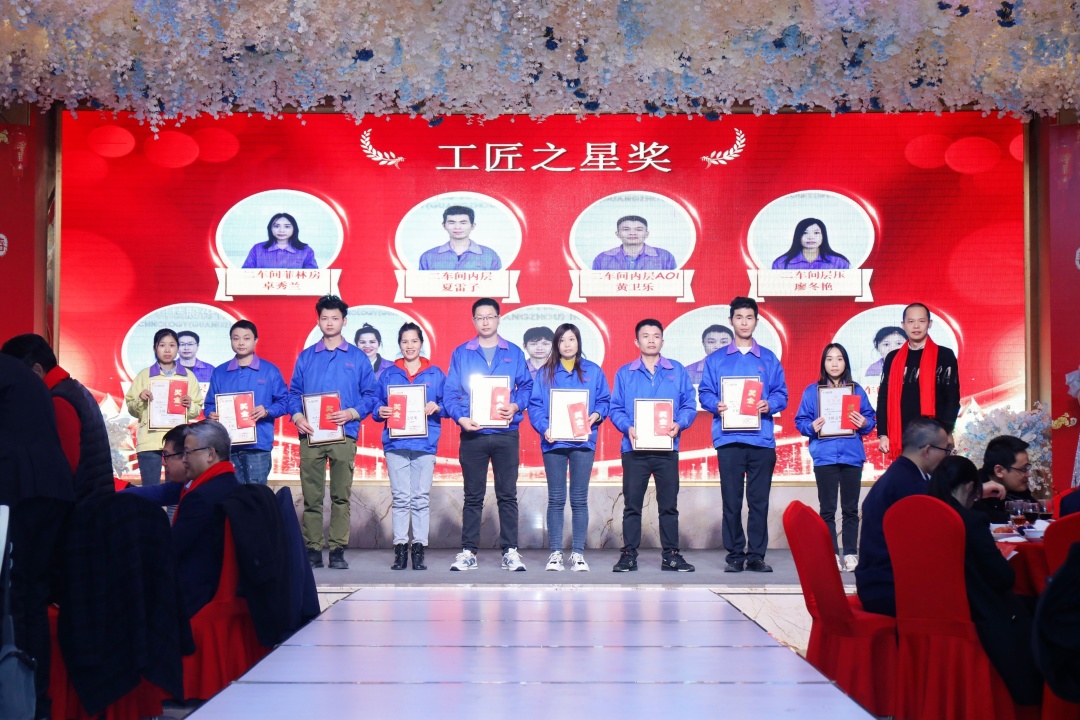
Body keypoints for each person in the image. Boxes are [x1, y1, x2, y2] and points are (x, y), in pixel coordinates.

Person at [926, 456, 1044, 707]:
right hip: (977, 612)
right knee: (1034, 607)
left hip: (930, 610)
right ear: (971, 487)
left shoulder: (922, 515)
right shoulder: (969, 520)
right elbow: (1003, 578)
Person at [0, 353, 75, 719]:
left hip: (20, 491)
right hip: (50, 488)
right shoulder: (17, 373)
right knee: (31, 598)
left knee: (15, 598)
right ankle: (35, 699)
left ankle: (17, 698)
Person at [287, 295, 377, 570]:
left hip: (344, 434)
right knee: (311, 497)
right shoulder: (306, 357)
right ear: (318, 321)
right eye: (324, 318)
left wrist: (352, 413)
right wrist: (298, 416)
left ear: (344, 321)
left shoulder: (358, 358)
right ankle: (313, 549)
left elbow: (371, 396)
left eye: (335, 318)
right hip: (311, 435)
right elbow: (293, 394)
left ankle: (337, 549)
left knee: (341, 496)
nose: (329, 323)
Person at [698, 297, 788, 573]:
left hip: (761, 440)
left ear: (756, 321)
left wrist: (769, 404)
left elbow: (782, 394)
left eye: (749, 317)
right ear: (731, 321)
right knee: (732, 500)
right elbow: (705, 392)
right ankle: (735, 554)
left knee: (759, 501)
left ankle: (757, 555)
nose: (744, 322)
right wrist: (715, 404)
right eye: (739, 317)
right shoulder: (716, 360)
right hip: (729, 440)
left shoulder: (768, 358)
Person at [443, 298, 532, 571]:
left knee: (508, 495)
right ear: (473, 321)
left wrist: (516, 405)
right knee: (473, 496)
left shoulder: (513, 352)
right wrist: (460, 418)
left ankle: (510, 551)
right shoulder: (461, 353)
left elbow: (527, 387)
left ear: (498, 318)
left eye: (490, 316)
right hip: (474, 434)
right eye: (480, 317)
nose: (485, 322)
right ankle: (469, 551)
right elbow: (450, 392)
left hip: (506, 434)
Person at [125, 421, 240, 618]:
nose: (184, 460)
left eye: (187, 453)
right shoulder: (227, 484)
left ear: (210, 454)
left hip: (197, 600)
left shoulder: (201, 497)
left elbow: (172, 550)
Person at [609, 319, 697, 572]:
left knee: (669, 506)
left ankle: (671, 555)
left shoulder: (677, 370)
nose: (651, 340)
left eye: (656, 336)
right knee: (632, 506)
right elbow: (615, 408)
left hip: (666, 449)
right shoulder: (625, 373)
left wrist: (680, 423)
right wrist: (627, 426)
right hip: (634, 449)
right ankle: (629, 555)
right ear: (636, 341)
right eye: (645, 336)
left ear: (662, 341)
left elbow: (689, 404)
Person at [528, 323, 611, 572]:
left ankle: (577, 553)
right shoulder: (545, 373)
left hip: (583, 442)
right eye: (562, 340)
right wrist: (545, 428)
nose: (567, 344)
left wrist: (596, 415)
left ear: (578, 342)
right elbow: (535, 406)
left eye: (571, 339)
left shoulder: (593, 371)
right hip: (553, 442)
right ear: (556, 344)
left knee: (579, 499)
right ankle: (555, 553)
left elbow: (604, 401)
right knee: (555, 498)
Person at [856, 417, 952, 616]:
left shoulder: (901, 473)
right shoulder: (911, 486)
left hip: (877, 581)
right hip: (888, 589)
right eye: (946, 451)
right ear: (928, 450)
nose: (947, 457)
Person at [1, 333, 114, 499]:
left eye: (18, 375)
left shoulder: (57, 401)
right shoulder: (71, 389)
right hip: (91, 501)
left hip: (81, 505)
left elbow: (64, 467)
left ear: (37, 370)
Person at [794, 343, 876, 573]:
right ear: (823, 363)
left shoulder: (856, 390)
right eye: (829, 359)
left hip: (851, 456)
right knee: (827, 509)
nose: (834, 363)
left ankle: (850, 553)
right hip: (825, 455)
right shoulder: (813, 391)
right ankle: (831, 553)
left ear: (845, 362)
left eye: (839, 358)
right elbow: (800, 421)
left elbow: (870, 419)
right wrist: (811, 426)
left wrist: (865, 422)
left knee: (850, 509)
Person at [374, 322, 446, 571]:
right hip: (396, 444)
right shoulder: (388, 374)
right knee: (401, 498)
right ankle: (400, 549)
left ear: (421, 343)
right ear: (399, 344)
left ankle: (419, 549)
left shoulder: (435, 374)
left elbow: (450, 404)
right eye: (405, 341)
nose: (409, 346)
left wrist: (438, 406)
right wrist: (380, 410)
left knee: (421, 498)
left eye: (414, 341)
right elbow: (375, 404)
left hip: (425, 444)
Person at [204, 320, 289, 485]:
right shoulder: (220, 372)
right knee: (232, 493)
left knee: (256, 494)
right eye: (236, 338)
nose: (241, 342)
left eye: (246, 338)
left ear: (256, 340)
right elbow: (209, 404)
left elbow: (284, 402)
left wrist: (267, 411)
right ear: (230, 341)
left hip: (258, 445)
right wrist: (210, 413)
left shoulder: (270, 370)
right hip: (228, 445)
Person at [876, 303, 961, 459]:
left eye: (921, 321)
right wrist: (883, 434)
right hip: (902, 434)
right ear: (903, 325)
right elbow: (883, 398)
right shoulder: (893, 358)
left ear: (929, 323)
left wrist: (947, 431)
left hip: (934, 434)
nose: (916, 326)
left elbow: (952, 398)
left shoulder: (944, 355)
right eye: (911, 321)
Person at [124, 328, 204, 488]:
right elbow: (132, 409)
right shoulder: (144, 375)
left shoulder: (188, 376)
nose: (167, 350)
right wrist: (140, 399)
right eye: (162, 345)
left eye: (172, 345)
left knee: (176, 490)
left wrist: (189, 404)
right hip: (149, 440)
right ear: (155, 348)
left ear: (177, 348)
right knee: (150, 491)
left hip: (178, 441)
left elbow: (196, 409)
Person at [971, 435, 1037, 524]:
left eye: (1027, 468)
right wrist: (976, 493)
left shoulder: (1018, 488)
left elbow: (1033, 514)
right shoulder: (974, 490)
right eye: (1023, 469)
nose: (1028, 474)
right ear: (999, 471)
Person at [417, 206, 502, 270]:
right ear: (444, 225)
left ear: (473, 226)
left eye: (463, 223)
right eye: (451, 222)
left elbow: (499, 285)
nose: (457, 227)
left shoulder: (489, 255)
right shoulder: (428, 256)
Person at [591, 215, 677, 271]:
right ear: (617, 234)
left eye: (639, 229)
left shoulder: (665, 256)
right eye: (626, 229)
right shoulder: (602, 258)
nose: (632, 233)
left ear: (646, 234)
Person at [241, 212, 318, 269]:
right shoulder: (257, 249)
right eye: (276, 226)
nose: (281, 230)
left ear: (294, 229)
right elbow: (245, 274)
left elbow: (313, 278)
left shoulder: (306, 250)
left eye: (287, 227)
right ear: (270, 229)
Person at [770, 218, 850, 270]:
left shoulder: (840, 262)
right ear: (798, 236)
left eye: (816, 233)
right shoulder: (780, 263)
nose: (811, 237)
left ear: (823, 236)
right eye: (805, 233)